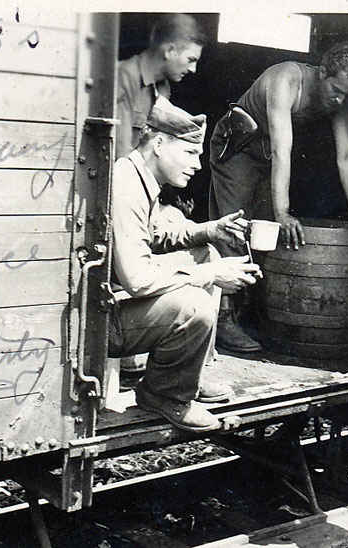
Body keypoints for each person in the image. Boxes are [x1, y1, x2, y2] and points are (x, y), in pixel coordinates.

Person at [207, 42, 348, 352]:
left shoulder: (342, 99)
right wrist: (282, 212)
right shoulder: (286, 79)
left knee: (263, 235)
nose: (340, 99)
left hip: (268, 155)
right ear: (322, 72)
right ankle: (222, 319)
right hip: (238, 148)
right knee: (234, 228)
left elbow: (346, 155)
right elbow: (281, 151)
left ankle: (247, 314)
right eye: (336, 90)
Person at [110, 96, 262, 432]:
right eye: (190, 153)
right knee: (193, 305)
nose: (197, 164)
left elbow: (159, 236)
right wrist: (209, 274)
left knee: (207, 253)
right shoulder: (126, 183)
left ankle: (187, 379)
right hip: (101, 320)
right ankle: (165, 395)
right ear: (160, 144)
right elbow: (137, 278)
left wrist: (211, 229)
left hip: (115, 304)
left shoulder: (139, 177)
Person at [116, 13, 205, 159]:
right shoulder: (125, 77)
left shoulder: (163, 88)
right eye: (191, 59)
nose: (193, 69)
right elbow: (120, 155)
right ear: (170, 51)